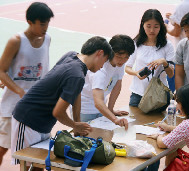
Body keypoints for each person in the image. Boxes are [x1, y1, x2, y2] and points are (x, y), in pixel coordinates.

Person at [11, 36, 113, 169]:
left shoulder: (72, 56)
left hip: (43, 122)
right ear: (99, 53)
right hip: (28, 119)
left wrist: (77, 122)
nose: (101, 67)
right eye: (104, 61)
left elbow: (76, 94)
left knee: (38, 165)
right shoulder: (76, 74)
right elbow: (58, 112)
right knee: (28, 164)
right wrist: (74, 125)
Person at [0, 2, 54, 166]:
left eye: (47, 23)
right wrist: (19, 90)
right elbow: (1, 71)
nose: (45, 27)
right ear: (30, 21)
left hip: (36, 108)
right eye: (42, 23)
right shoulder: (16, 41)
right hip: (13, 106)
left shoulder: (47, 39)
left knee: (36, 153)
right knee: (2, 148)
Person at [80, 34, 135, 130]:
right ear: (110, 52)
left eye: (126, 57)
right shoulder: (100, 69)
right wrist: (115, 119)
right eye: (119, 56)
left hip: (101, 107)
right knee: (88, 138)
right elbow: (98, 102)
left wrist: (110, 109)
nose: (122, 60)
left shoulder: (120, 63)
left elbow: (117, 86)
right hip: (85, 109)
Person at [125, 9, 175, 112]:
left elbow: (171, 74)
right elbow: (127, 67)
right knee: (134, 125)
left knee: (156, 126)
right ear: (143, 25)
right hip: (137, 94)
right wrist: (136, 73)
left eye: (156, 27)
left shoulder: (167, 45)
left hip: (159, 95)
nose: (152, 30)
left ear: (161, 26)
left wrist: (164, 62)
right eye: (148, 26)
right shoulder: (136, 43)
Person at [165, 0, 189, 93]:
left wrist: (166, 28)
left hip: (183, 50)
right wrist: (172, 17)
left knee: (174, 81)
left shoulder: (181, 6)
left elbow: (176, 32)